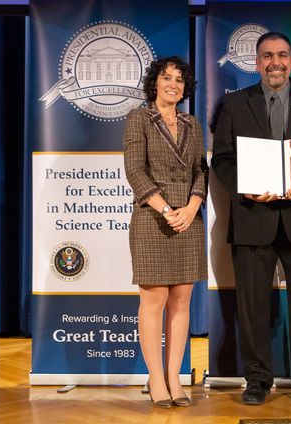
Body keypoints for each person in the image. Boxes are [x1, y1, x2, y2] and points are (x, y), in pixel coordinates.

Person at [211, 32, 291, 405]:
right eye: (267, 56)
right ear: (257, 62)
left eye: (282, 55)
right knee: (252, 307)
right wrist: (245, 189)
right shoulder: (236, 105)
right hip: (254, 217)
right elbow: (221, 160)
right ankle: (256, 379)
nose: (275, 62)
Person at [123, 56, 207, 408]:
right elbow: (135, 171)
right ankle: (155, 378)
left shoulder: (193, 122)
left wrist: (191, 207)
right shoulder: (138, 119)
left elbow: (200, 170)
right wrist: (167, 210)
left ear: (186, 87)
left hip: (188, 220)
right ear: (154, 83)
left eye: (179, 80)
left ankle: (175, 376)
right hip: (152, 218)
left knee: (181, 303)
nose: (173, 84)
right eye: (166, 78)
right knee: (153, 301)